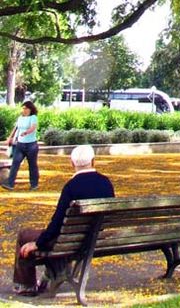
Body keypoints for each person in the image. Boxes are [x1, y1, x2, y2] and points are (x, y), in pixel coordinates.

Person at [12, 144, 114, 297]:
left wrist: (37, 243)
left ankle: (26, 285)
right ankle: (54, 271)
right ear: (94, 161)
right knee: (59, 238)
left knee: (25, 235)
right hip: (96, 238)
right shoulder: (106, 183)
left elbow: (57, 224)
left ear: (71, 163)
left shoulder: (71, 187)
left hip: (70, 241)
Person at [3, 100, 39, 192]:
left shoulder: (33, 117)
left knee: (32, 165)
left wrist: (26, 132)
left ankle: (34, 184)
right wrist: (10, 138)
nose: (24, 110)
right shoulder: (20, 118)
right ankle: (10, 184)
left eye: (26, 108)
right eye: (23, 108)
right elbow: (16, 128)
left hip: (31, 145)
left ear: (30, 109)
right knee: (15, 163)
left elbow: (33, 127)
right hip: (20, 144)